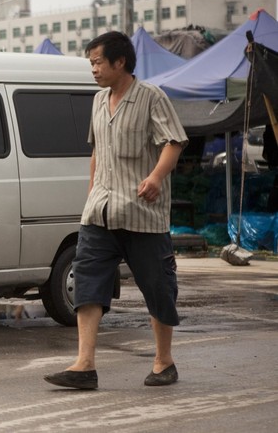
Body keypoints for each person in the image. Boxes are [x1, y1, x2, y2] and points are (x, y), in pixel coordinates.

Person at [44, 31, 188, 390]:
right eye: (91, 62)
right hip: (99, 214)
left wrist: (156, 177)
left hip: (142, 213)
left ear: (119, 61)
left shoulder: (151, 97)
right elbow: (97, 151)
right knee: (87, 283)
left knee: (157, 287)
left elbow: (174, 141)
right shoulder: (97, 101)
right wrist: (92, 192)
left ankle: (163, 361)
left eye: (97, 61)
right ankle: (85, 365)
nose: (93, 69)